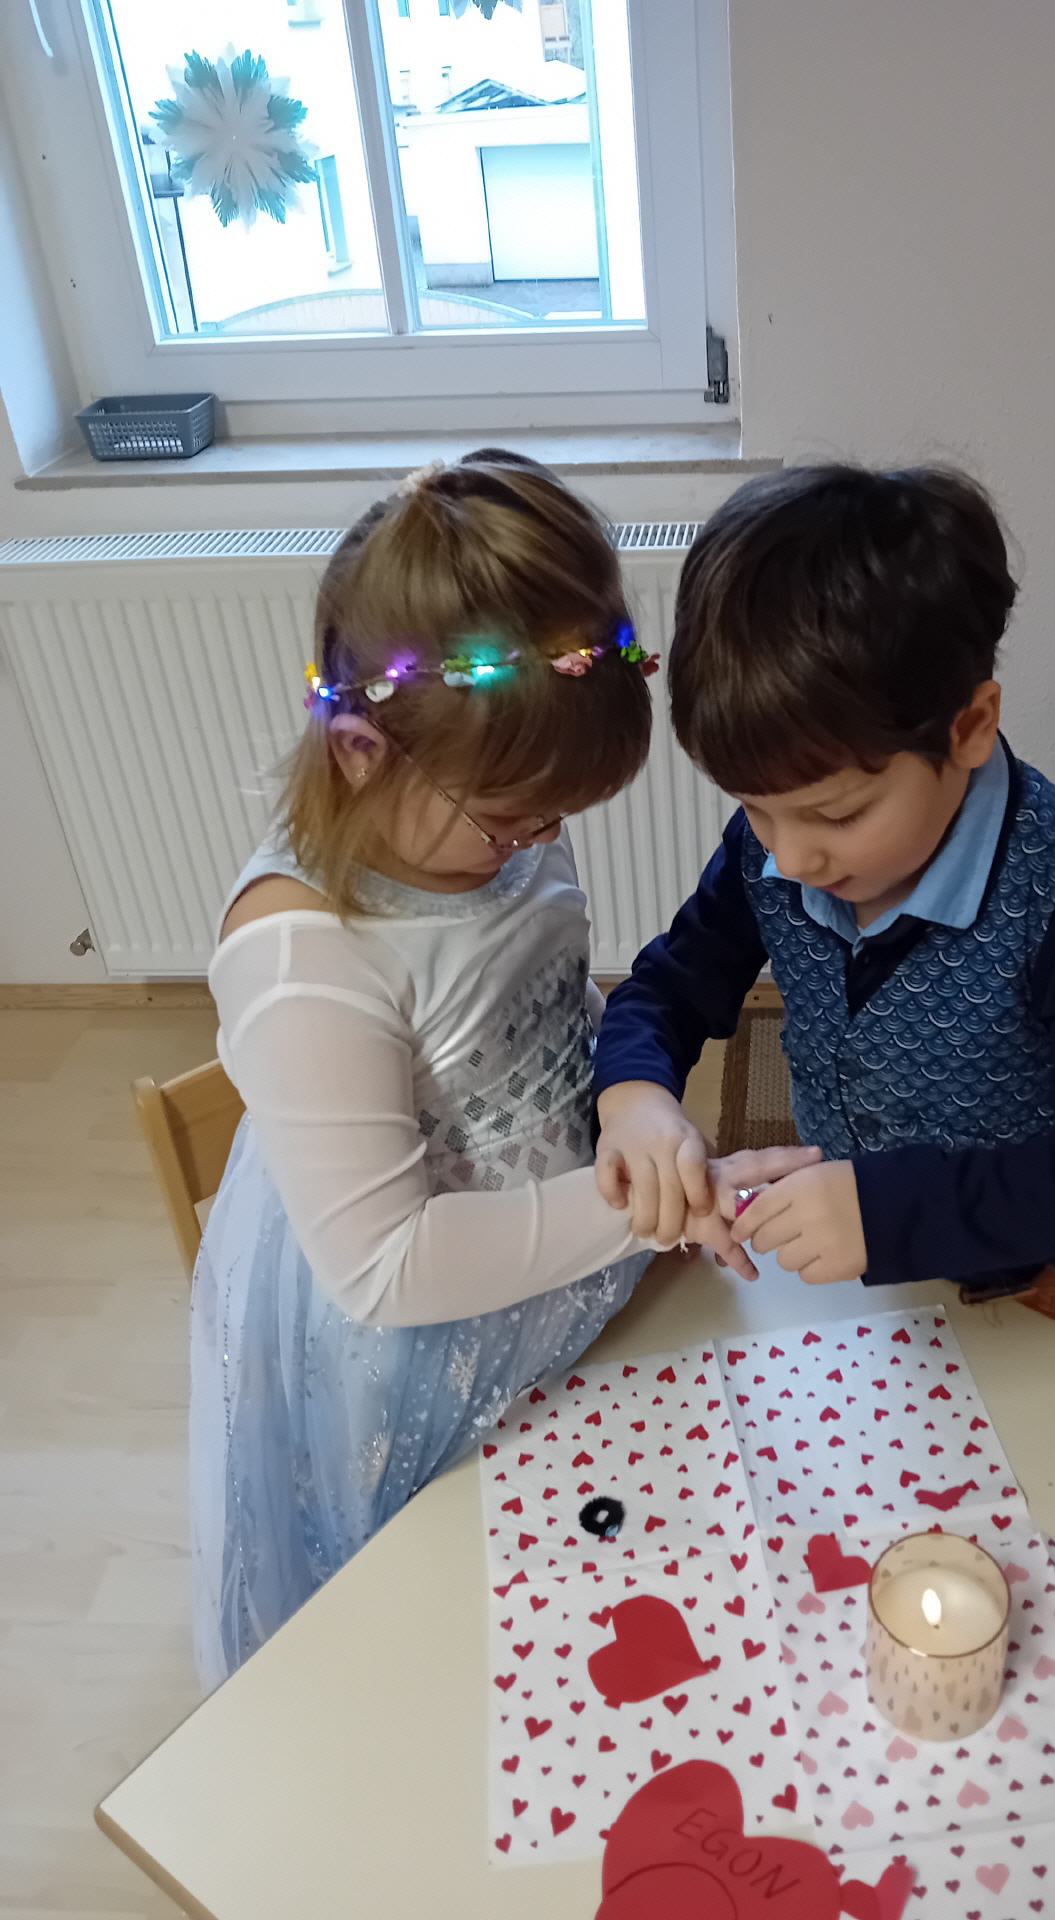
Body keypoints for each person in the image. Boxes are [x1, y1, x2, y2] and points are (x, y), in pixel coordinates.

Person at [192, 450, 813, 1687]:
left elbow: (540, 998)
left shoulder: (492, 830)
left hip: (559, 1253)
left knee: (591, 1581)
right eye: (509, 820)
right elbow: (386, 1267)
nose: (536, 843)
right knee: (433, 1645)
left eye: (555, 818)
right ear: (360, 751)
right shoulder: (307, 960)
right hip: (417, 1345)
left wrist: (634, 1108)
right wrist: (640, 1207)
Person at [592, 463, 1055, 1358]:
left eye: (838, 816)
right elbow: (668, 986)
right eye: (756, 808)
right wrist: (635, 1094)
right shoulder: (773, 852)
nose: (790, 858)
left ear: (970, 728)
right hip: (884, 1262)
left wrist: (890, 1213)